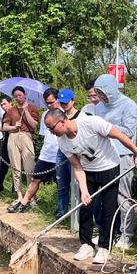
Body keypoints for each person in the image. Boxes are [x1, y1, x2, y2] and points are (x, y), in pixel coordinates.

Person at [44, 109, 137, 264]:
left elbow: (120, 136)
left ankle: (105, 247)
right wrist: (84, 190)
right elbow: (77, 167)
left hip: (109, 167)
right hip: (87, 171)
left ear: (62, 121)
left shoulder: (92, 123)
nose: (51, 132)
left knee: (108, 209)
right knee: (85, 207)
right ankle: (86, 244)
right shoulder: (62, 141)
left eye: (51, 128)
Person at [93, 74, 137, 250]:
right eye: (98, 93)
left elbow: (128, 131)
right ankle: (107, 232)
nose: (101, 96)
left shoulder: (129, 105)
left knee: (123, 196)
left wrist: (106, 126)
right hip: (104, 155)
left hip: (123, 154)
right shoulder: (99, 108)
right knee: (105, 196)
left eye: (102, 92)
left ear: (111, 90)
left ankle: (126, 235)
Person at [7, 88, 60, 213]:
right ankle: (23, 201)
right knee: (35, 179)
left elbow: (34, 127)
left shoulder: (63, 114)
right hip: (45, 153)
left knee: (60, 183)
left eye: (52, 102)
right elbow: (43, 134)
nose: (49, 105)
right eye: (47, 103)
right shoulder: (46, 114)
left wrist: (26, 113)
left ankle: (60, 208)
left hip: (59, 154)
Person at [2, 86, 40, 204]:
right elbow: (5, 127)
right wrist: (14, 126)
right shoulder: (11, 110)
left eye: (20, 95)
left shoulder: (32, 108)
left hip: (26, 136)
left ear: (25, 95)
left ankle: (31, 196)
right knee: (15, 167)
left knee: (29, 167)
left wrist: (26, 111)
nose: (18, 98)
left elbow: (34, 125)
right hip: (13, 137)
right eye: (16, 96)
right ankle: (19, 195)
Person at [54, 89, 81, 218]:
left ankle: (77, 213)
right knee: (61, 183)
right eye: (62, 103)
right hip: (62, 151)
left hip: (76, 152)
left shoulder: (81, 116)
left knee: (77, 182)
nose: (64, 105)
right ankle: (61, 211)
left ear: (73, 101)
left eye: (66, 102)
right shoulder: (58, 116)